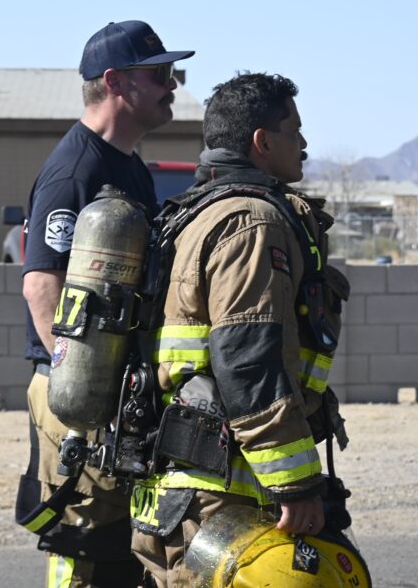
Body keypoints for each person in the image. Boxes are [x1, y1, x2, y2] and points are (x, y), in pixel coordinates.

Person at [129, 72, 351, 586]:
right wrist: (295, 484)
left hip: (187, 486)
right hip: (225, 493)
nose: (304, 144)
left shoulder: (194, 214)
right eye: (294, 131)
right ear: (262, 141)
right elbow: (250, 359)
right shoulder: (253, 222)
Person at [16, 20, 195, 588]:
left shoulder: (129, 165)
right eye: (159, 74)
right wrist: (81, 390)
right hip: (80, 394)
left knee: (121, 545)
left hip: (112, 393)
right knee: (85, 540)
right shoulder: (77, 169)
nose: (172, 84)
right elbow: (41, 284)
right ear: (115, 81)